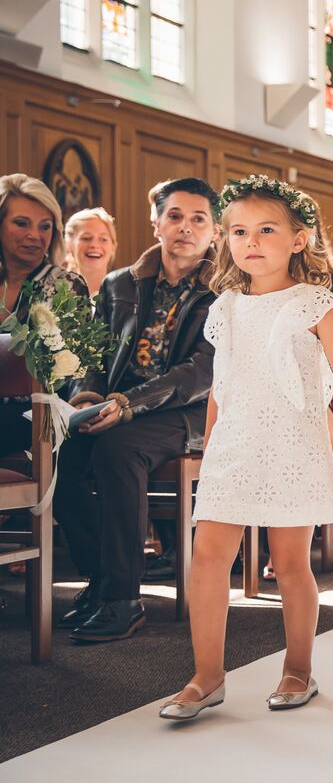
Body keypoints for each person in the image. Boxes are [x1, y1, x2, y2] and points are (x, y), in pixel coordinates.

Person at [157, 177, 333, 720]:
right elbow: (222, 383)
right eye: (239, 231)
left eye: (266, 230)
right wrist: (211, 446)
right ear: (225, 240)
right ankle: (207, 675)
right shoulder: (227, 306)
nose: (251, 241)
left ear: (299, 239)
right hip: (233, 444)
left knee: (288, 563)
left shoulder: (316, 303)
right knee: (209, 556)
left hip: (292, 443)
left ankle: (298, 668)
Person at [53, 177, 219, 642]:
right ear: (156, 223)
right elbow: (94, 354)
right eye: (175, 216)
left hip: (191, 413)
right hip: (115, 406)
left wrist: (129, 405)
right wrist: (87, 396)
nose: (185, 227)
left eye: (198, 219)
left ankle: (124, 599)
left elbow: (202, 372)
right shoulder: (118, 283)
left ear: (214, 232)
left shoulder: (225, 290)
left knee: (118, 451)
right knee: (60, 457)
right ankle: (101, 582)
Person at [0, 174, 90, 457]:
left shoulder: (67, 286)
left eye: (45, 226)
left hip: (37, 415)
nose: (35, 235)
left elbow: (77, 368)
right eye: (21, 223)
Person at [62, 207, 118, 298]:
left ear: (113, 247)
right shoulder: (53, 292)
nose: (94, 245)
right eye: (86, 238)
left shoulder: (127, 293)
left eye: (103, 239)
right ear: (69, 245)